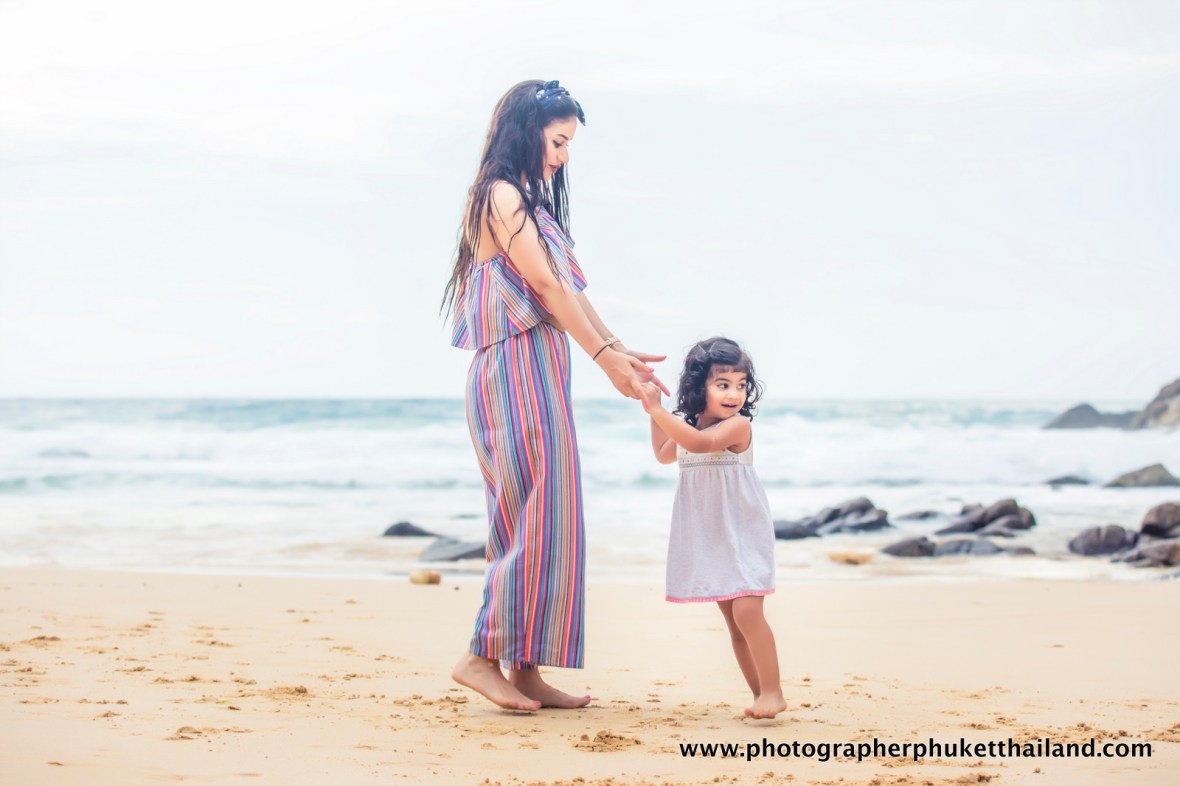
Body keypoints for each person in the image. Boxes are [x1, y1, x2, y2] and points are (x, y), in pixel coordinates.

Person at [443, 79, 668, 712]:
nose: (564, 154)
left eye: (570, 143)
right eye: (559, 140)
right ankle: (481, 656)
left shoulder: (529, 206)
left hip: (539, 366)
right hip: (512, 369)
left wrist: (616, 348)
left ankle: (525, 669)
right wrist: (603, 361)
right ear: (527, 130)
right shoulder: (497, 196)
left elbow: (568, 289)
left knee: (551, 514)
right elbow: (542, 285)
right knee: (532, 514)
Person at [639, 337, 786, 719]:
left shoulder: (737, 426)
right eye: (723, 384)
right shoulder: (687, 429)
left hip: (744, 533)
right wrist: (651, 408)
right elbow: (662, 454)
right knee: (734, 622)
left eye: (740, 384)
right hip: (713, 538)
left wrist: (659, 411)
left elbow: (702, 444)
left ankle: (774, 691)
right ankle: (760, 695)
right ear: (697, 385)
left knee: (749, 613)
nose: (734, 393)